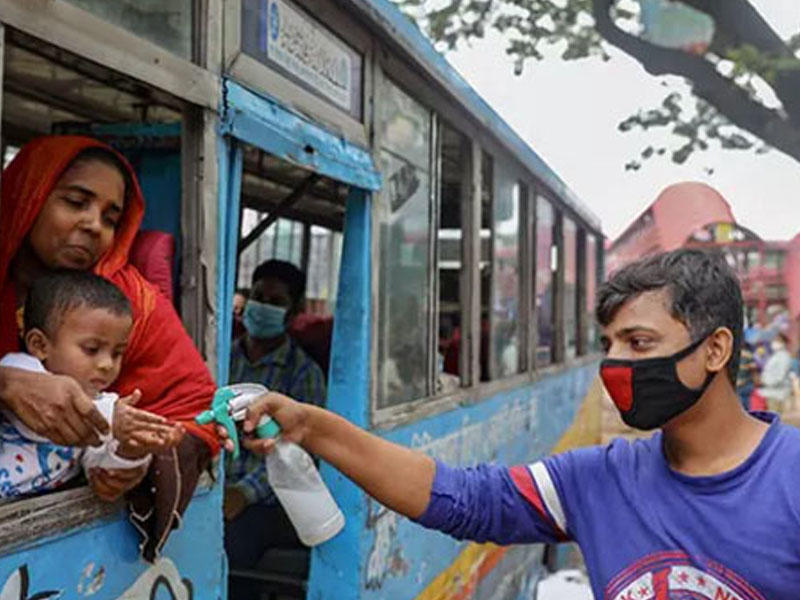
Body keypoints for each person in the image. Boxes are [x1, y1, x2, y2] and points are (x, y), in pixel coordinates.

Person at [227, 249, 799, 599]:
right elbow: (462, 498)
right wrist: (311, 426)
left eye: (639, 342)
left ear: (717, 349)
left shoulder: (790, 478)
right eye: (610, 344)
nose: (617, 363)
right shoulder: (600, 481)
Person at [0, 136, 218, 559]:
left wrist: (134, 463)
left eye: (110, 217)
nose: (93, 225)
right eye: (75, 201)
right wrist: (7, 383)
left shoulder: (127, 303)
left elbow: (193, 405)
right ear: (28, 194)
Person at [0, 271, 182, 497]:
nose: (107, 365)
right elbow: (45, 419)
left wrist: (131, 448)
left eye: (117, 353)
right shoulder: (20, 369)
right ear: (40, 345)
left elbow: (100, 469)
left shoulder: (105, 404)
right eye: (91, 349)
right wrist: (112, 420)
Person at [224, 260, 326, 592]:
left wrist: (243, 493)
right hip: (215, 488)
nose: (263, 307)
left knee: (233, 547)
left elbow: (297, 453)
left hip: (268, 498)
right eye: (258, 296)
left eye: (275, 301)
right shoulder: (222, 357)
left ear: (293, 312)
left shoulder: (302, 373)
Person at [757, 332, 793, 414]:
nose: (774, 342)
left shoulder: (784, 357)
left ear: (783, 343)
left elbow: (779, 377)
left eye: (777, 340)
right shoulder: (775, 355)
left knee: (773, 420)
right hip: (769, 393)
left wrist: (764, 382)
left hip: (776, 394)